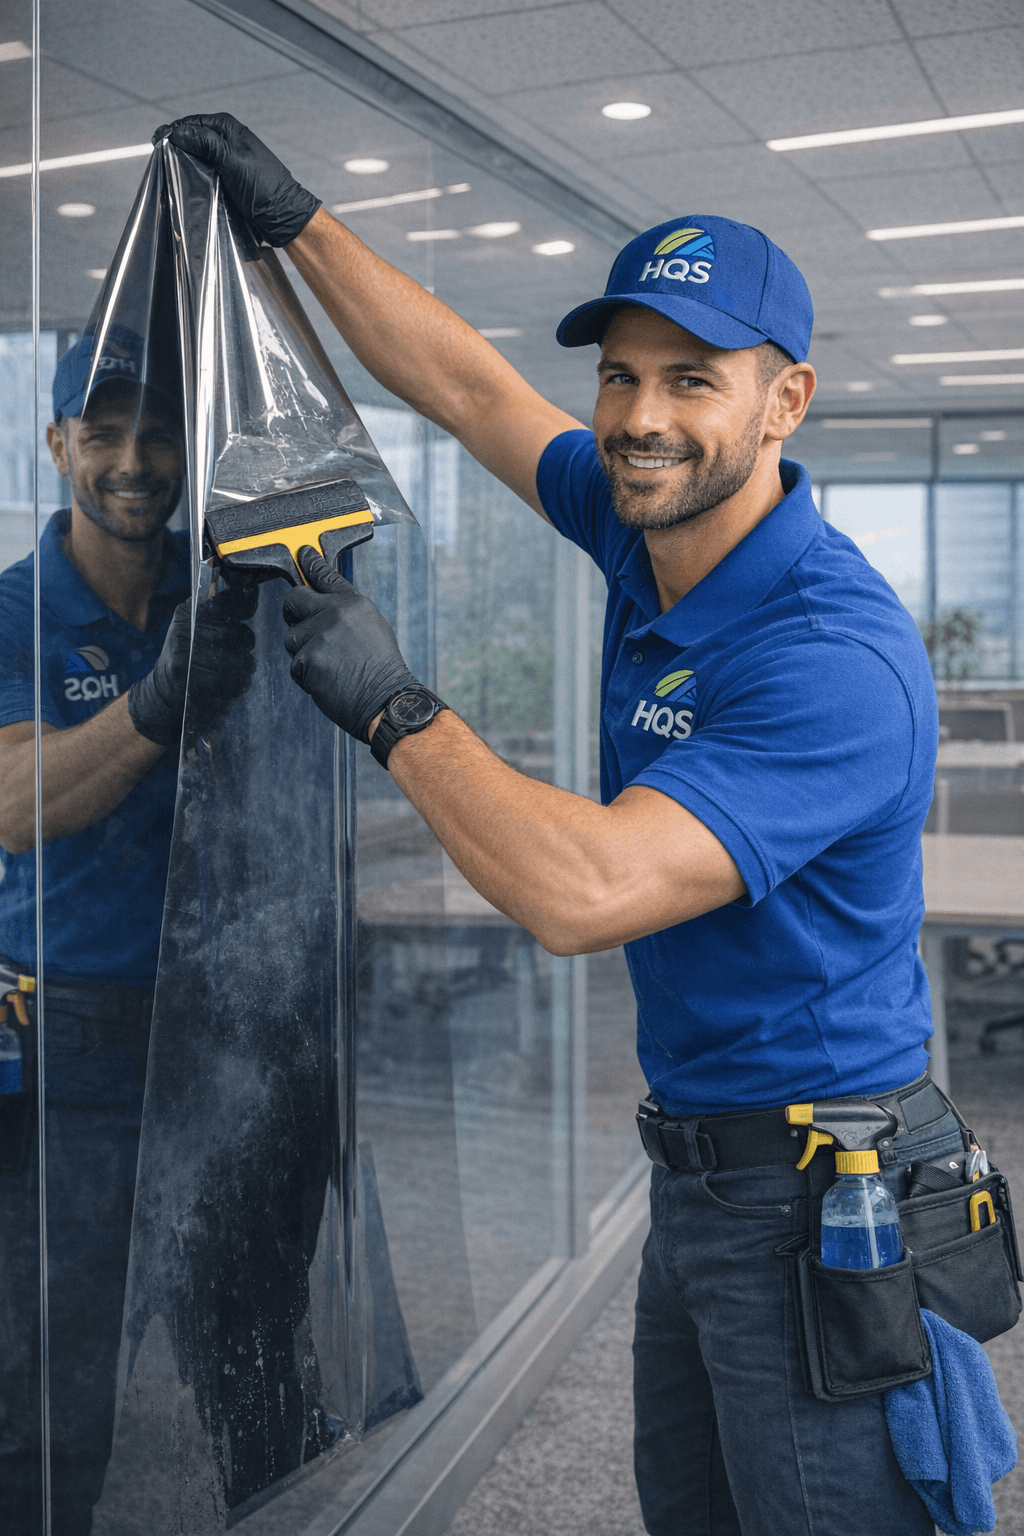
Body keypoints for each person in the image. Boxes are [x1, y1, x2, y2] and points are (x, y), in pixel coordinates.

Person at [159, 115, 969, 1536]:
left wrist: (396, 708)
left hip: (821, 1197)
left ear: (785, 405)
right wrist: (298, 223)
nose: (642, 416)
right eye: (620, 377)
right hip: (706, 1177)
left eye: (693, 382)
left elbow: (582, 892)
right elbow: (469, 388)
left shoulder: (829, 653)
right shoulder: (639, 519)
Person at [0, 327, 255, 1536]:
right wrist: (157, 708)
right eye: (103, 433)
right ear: (59, 445)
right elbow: (9, 806)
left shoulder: (227, 600)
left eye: (158, 433)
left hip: (231, 1030)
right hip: (74, 1044)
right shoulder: (11, 615)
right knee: (57, 1372)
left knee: (241, 1345)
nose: (134, 460)